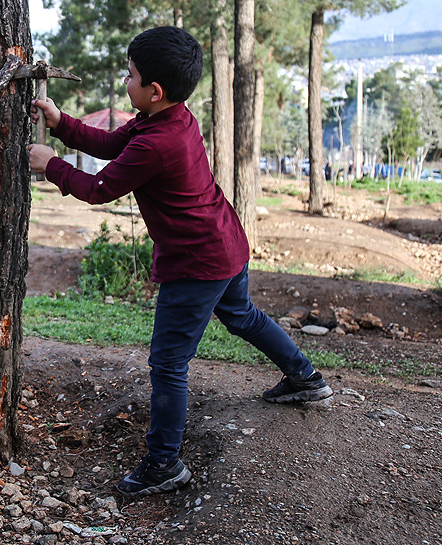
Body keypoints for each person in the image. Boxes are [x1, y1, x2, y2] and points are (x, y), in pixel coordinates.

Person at [27, 26, 332, 497]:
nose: (124, 81)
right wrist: (61, 121)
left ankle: (164, 464)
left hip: (196, 263)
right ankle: (305, 377)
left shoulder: (156, 142)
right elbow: (111, 147)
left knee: (169, 363)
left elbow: (99, 188)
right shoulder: (168, 119)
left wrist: (51, 164)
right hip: (225, 243)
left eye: (130, 75)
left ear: (155, 90)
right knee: (242, 315)